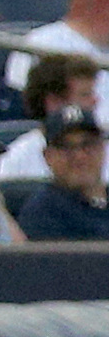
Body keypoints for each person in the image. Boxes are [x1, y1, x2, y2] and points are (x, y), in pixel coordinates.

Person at [15, 103, 109, 240]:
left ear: (102, 148)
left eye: (88, 144)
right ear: (48, 156)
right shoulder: (42, 214)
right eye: (66, 147)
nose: (80, 156)